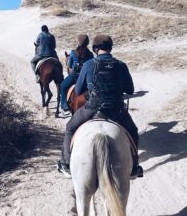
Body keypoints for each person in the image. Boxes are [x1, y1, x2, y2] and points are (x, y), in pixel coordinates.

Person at [57, 34, 143, 179]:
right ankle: (134, 167)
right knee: (133, 131)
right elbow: (130, 90)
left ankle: (65, 164)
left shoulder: (89, 64)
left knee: (70, 128)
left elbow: (78, 90)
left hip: (92, 109)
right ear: (110, 48)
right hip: (117, 110)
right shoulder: (121, 65)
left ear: (95, 49)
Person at [59, 34, 93, 114]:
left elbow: (70, 65)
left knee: (63, 86)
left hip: (74, 77)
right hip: (86, 78)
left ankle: (64, 107)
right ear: (87, 43)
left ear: (78, 42)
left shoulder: (73, 52)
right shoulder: (90, 54)